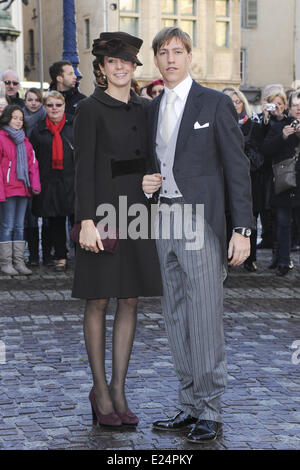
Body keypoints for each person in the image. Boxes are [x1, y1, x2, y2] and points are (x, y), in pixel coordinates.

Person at [142, 27, 253, 443]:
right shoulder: (151, 109)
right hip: (162, 220)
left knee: (205, 316)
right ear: (156, 60)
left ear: (190, 56)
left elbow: (238, 169)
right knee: (175, 316)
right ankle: (188, 404)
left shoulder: (215, 102)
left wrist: (242, 229)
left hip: (200, 222)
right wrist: (145, 183)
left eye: (177, 51)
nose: (170, 59)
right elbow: (150, 163)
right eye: (163, 53)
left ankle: (211, 409)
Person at [72, 31, 162, 428]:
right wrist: (86, 221)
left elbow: (151, 161)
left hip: (137, 213)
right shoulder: (90, 109)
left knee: (129, 300)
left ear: (134, 67)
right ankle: (100, 391)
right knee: (99, 300)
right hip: (101, 214)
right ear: (102, 68)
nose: (121, 67)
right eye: (113, 62)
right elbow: (83, 170)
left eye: (127, 61)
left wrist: (152, 180)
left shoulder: (145, 109)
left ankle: (120, 388)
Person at [30, 91, 75, 271]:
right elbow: (32, 157)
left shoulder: (75, 125)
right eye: (50, 105)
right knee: (56, 220)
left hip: (73, 179)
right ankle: (61, 256)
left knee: (78, 219)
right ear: (45, 107)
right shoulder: (38, 129)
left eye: (58, 105)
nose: (54, 109)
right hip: (49, 181)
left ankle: (84, 256)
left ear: (64, 106)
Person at [262, 91, 300, 276]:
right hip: (284, 184)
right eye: (295, 105)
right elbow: (266, 150)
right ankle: (284, 262)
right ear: (289, 107)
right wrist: (283, 137)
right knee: (283, 223)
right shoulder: (279, 126)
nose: (299, 109)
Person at [0, 105, 40, 275]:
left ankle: (19, 261)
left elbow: (33, 165)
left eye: (20, 118)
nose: (18, 121)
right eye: (15, 117)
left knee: (19, 226)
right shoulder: (1, 138)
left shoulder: (25, 141)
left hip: (23, 189)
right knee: (7, 225)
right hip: (8, 189)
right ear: (7, 118)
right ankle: (6, 262)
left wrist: (35, 185)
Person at [228, 88, 264, 272]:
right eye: (230, 101)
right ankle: (227, 257)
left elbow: (259, 155)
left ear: (243, 103)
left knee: (251, 218)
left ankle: (251, 259)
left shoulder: (253, 126)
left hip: (250, 179)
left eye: (237, 101)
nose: (234, 105)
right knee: (227, 219)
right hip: (225, 180)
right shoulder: (220, 125)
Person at [23, 88, 47, 266]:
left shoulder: (45, 119)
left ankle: (47, 254)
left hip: (44, 173)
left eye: (37, 100)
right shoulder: (18, 119)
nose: (33, 103)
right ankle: (32, 255)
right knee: (28, 217)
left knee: (45, 215)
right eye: (30, 100)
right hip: (24, 174)